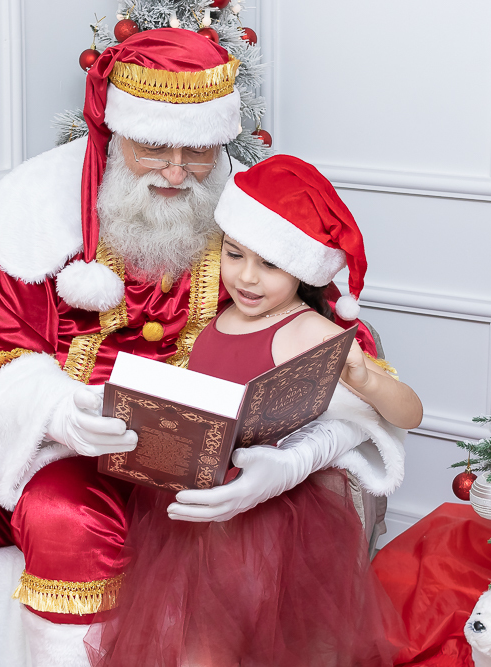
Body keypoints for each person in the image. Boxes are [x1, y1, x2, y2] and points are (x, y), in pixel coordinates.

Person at [0, 29, 406, 667]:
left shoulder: (247, 226)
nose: (177, 173)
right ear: (118, 133)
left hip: (142, 470)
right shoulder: (42, 208)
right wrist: (59, 410)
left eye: (197, 152)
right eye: (154, 148)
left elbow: (345, 363)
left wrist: (286, 460)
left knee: (63, 509)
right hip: (25, 431)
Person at [84, 155, 420, 666]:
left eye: (269, 265)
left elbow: (407, 414)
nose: (246, 278)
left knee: (268, 638)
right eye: (235, 255)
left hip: (274, 520)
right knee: (196, 636)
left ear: (303, 271)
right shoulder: (219, 319)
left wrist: (365, 378)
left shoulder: (307, 329)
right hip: (196, 511)